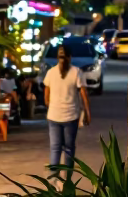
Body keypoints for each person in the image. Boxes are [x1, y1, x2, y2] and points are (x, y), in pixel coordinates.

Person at [43, 45, 91, 183]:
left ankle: (53, 183)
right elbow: (84, 95)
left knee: (55, 148)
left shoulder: (51, 72)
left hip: (54, 116)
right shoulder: (77, 72)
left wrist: (52, 105)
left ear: (58, 58)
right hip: (71, 116)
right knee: (69, 148)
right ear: (70, 57)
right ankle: (68, 181)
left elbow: (46, 95)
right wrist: (87, 113)